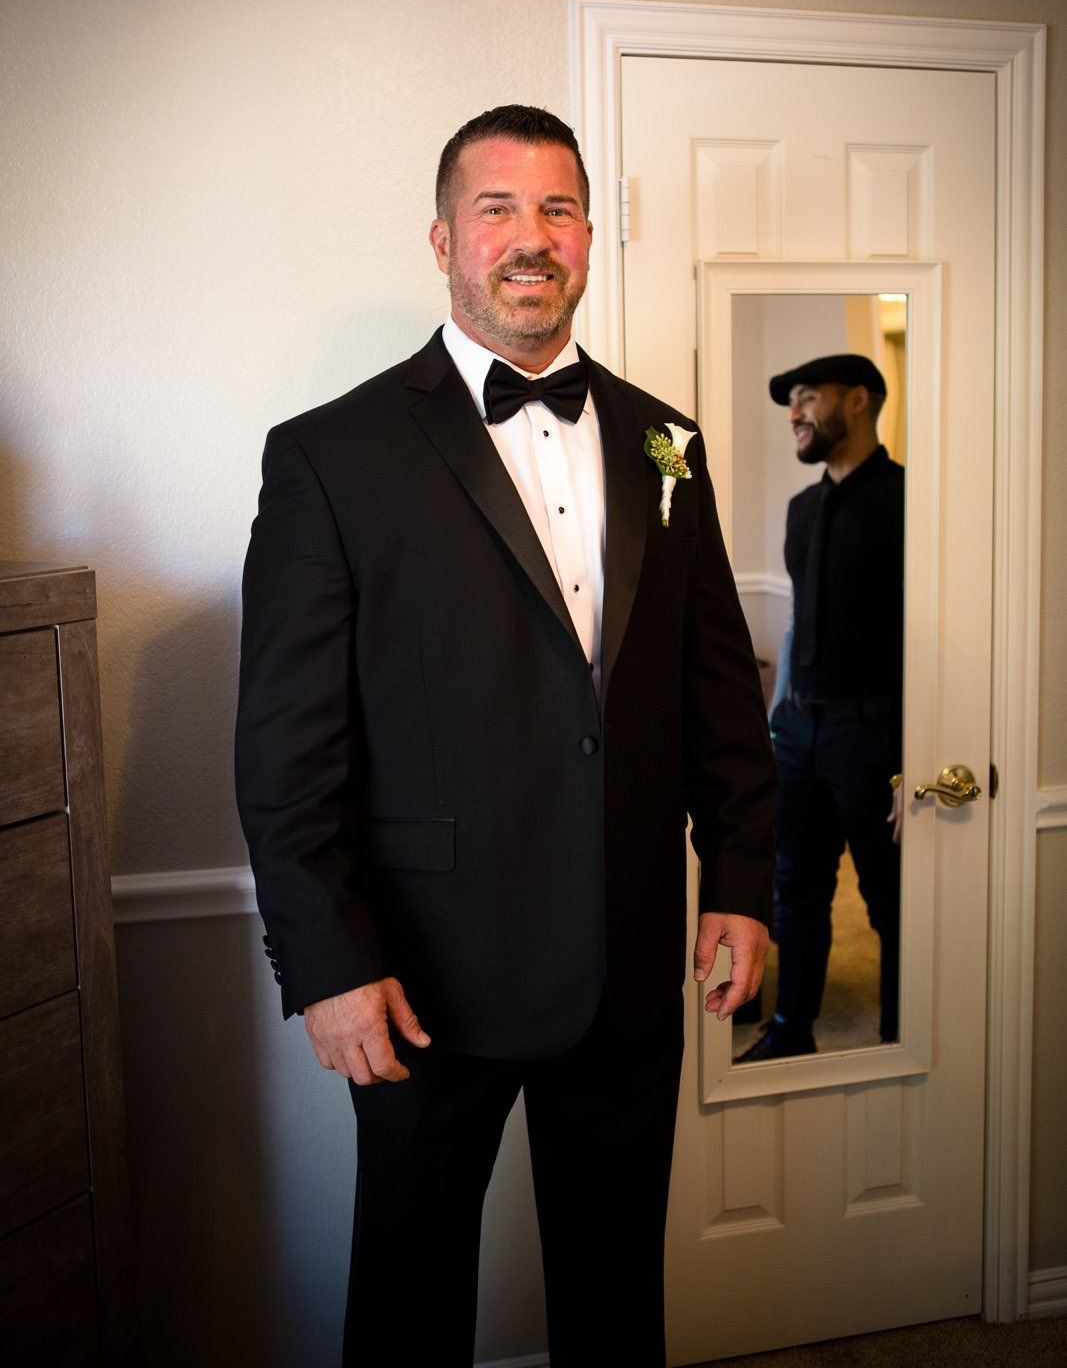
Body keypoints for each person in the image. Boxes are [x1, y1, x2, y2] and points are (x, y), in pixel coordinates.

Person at [235, 105, 777, 1367]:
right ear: (442, 238)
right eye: (497, 209)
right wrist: (323, 962)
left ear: (588, 235)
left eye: (558, 209)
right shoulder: (327, 455)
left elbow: (716, 700)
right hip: (422, 980)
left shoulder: (666, 442)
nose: (530, 238)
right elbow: (285, 747)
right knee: (410, 1305)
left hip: (625, 970)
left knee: (612, 1295)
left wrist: (742, 882)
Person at [738, 355, 904, 1064]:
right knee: (794, 892)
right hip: (798, 728)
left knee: (888, 898)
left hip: (874, 734)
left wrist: (914, 756)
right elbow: (798, 620)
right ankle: (788, 1031)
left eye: (807, 397)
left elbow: (925, 633)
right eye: (789, 402)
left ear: (858, 401)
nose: (794, 413)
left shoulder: (908, 498)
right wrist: (778, 723)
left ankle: (902, 1032)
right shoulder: (802, 508)